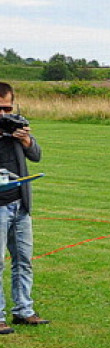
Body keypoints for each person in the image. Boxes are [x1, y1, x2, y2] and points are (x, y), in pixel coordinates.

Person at [0, 82, 48, 334]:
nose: (5, 114)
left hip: (20, 203)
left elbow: (37, 155)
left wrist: (26, 139)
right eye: (0, 109)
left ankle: (24, 310)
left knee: (24, 260)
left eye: (8, 108)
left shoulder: (17, 124)